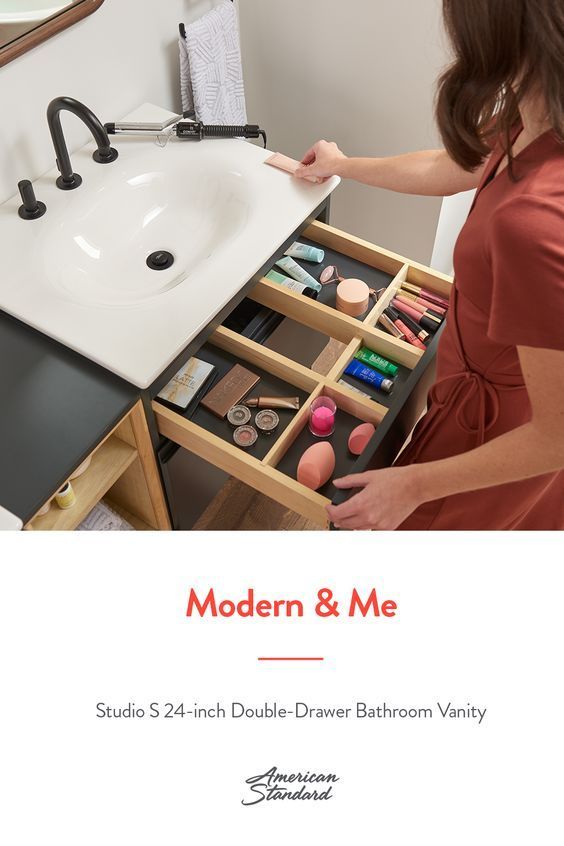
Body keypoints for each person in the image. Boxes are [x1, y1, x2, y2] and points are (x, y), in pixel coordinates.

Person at [295, 0, 564, 531]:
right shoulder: (537, 110)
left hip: (504, 437)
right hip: (483, 386)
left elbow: (557, 436)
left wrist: (413, 485)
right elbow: (452, 164)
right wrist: (341, 165)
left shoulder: (531, 223)